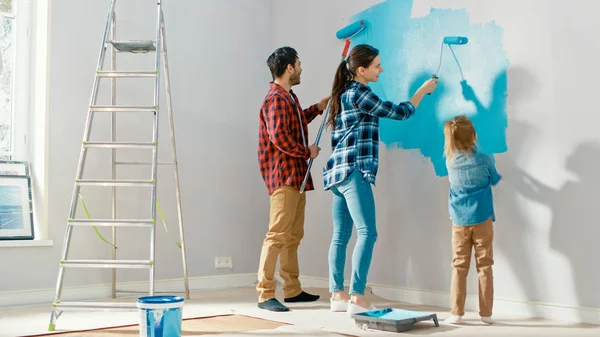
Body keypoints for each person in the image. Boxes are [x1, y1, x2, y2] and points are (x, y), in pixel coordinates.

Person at [322, 44, 438, 315]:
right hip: (353, 170)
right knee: (367, 232)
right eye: (377, 65)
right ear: (361, 70)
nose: (381, 69)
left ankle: (337, 294)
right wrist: (422, 91)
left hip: (337, 172)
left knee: (340, 235)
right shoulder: (360, 93)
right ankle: (357, 298)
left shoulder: (343, 93)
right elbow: (400, 112)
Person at [256, 46, 330, 312]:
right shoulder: (275, 98)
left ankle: (292, 289)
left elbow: (294, 123)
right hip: (284, 177)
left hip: (296, 177)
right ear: (289, 68)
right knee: (277, 235)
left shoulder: (288, 97)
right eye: (298, 64)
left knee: (292, 236)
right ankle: (265, 294)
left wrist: (317, 109)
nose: (301, 68)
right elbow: (280, 138)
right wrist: (306, 151)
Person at [442, 115, 501, 325]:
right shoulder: (484, 157)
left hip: (459, 221)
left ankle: (456, 313)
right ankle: (486, 314)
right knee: (484, 266)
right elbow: (494, 179)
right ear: (473, 135)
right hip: (483, 218)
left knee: (459, 266)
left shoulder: (450, 161)